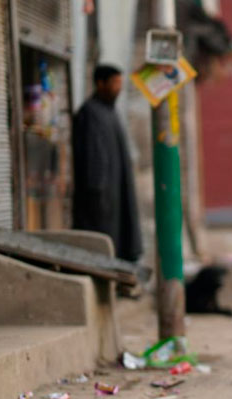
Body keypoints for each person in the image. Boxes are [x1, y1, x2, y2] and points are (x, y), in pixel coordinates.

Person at [71, 64, 142, 262]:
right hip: (101, 200)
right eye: (114, 83)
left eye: (120, 83)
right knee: (103, 244)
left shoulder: (109, 112)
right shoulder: (90, 113)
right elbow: (93, 158)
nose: (118, 88)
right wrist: (98, 194)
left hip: (115, 194)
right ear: (100, 83)